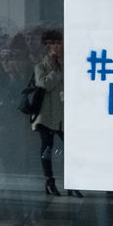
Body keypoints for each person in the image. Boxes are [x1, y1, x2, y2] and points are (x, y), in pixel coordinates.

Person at [31, 28, 79, 198]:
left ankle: (73, 181)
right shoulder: (40, 66)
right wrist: (57, 70)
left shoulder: (71, 63)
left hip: (66, 114)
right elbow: (44, 84)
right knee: (47, 147)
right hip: (46, 115)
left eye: (58, 43)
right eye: (51, 43)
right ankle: (49, 180)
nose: (55, 46)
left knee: (72, 148)